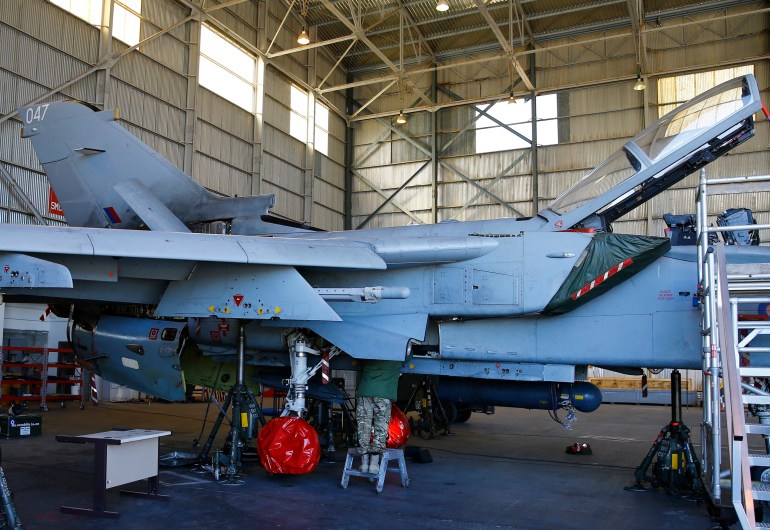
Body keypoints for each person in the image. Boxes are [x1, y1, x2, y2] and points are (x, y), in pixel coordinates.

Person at [356, 358, 404, 474]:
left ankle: (364, 462)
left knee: (363, 426)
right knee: (380, 427)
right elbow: (409, 354)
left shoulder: (369, 350)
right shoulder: (398, 353)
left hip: (365, 391)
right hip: (384, 394)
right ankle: (374, 463)